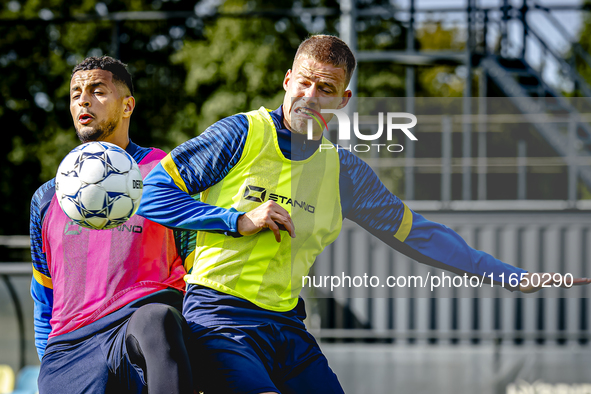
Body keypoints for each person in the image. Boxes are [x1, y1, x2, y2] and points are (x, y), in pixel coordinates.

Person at [136, 35, 591, 394]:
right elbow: (152, 195)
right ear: (287, 79)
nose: (311, 96)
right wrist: (237, 220)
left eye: (326, 89)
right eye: (304, 83)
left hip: (288, 327)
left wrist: (508, 275)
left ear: (343, 99)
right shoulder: (240, 133)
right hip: (220, 316)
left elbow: (420, 235)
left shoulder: (344, 172)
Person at [30, 56, 194, 394]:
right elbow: (44, 298)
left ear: (127, 106)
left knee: (156, 319)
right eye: (75, 94)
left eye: (97, 91)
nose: (83, 100)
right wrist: (50, 362)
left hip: (139, 330)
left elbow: (200, 277)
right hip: (71, 349)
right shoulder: (46, 199)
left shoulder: (167, 175)